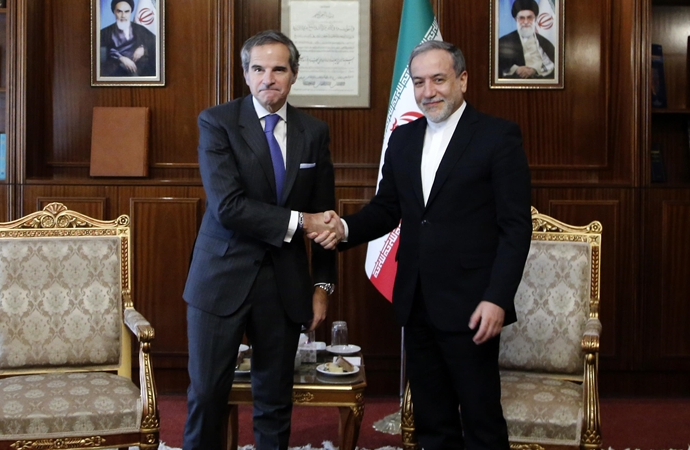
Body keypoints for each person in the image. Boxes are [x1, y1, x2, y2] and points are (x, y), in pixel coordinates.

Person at [313, 40, 532, 450]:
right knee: (432, 421)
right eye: (418, 82)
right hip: (416, 301)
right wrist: (342, 228)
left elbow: (516, 228)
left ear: (462, 80)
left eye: (438, 79)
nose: (428, 91)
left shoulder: (497, 137)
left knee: (482, 421)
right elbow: (386, 209)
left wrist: (497, 298)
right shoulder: (403, 138)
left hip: (472, 305)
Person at [182, 30, 339, 450]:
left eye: (278, 69)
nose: (268, 78)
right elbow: (228, 207)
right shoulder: (217, 122)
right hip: (220, 278)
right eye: (258, 69)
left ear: (294, 74)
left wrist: (322, 286)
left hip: (284, 284)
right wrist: (300, 221)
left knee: (274, 400)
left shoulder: (314, 131)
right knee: (207, 397)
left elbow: (325, 218)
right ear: (246, 74)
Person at [497, 0, 555, 79]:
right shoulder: (503, 42)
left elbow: (553, 65)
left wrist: (535, 70)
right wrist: (515, 69)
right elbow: (497, 66)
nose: (526, 22)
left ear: (535, 18)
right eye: (521, 18)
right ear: (515, 19)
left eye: (529, 17)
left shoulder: (545, 43)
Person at [100, 0, 156, 77]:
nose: (123, 15)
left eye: (126, 11)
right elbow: (101, 52)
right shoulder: (104, 33)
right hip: (115, 72)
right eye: (119, 11)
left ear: (131, 12)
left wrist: (143, 48)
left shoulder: (140, 29)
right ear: (114, 12)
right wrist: (121, 58)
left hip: (140, 72)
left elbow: (156, 43)